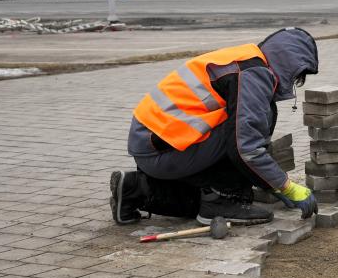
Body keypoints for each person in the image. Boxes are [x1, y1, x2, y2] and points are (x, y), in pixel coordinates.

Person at [110, 28, 321, 225]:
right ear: (289, 64)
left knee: (196, 202)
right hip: (163, 149)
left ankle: (134, 189)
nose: (294, 82)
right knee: (248, 131)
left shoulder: (246, 59)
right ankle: (223, 201)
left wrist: (271, 183)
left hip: (154, 146)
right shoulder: (254, 74)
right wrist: (285, 186)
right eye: (297, 76)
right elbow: (246, 147)